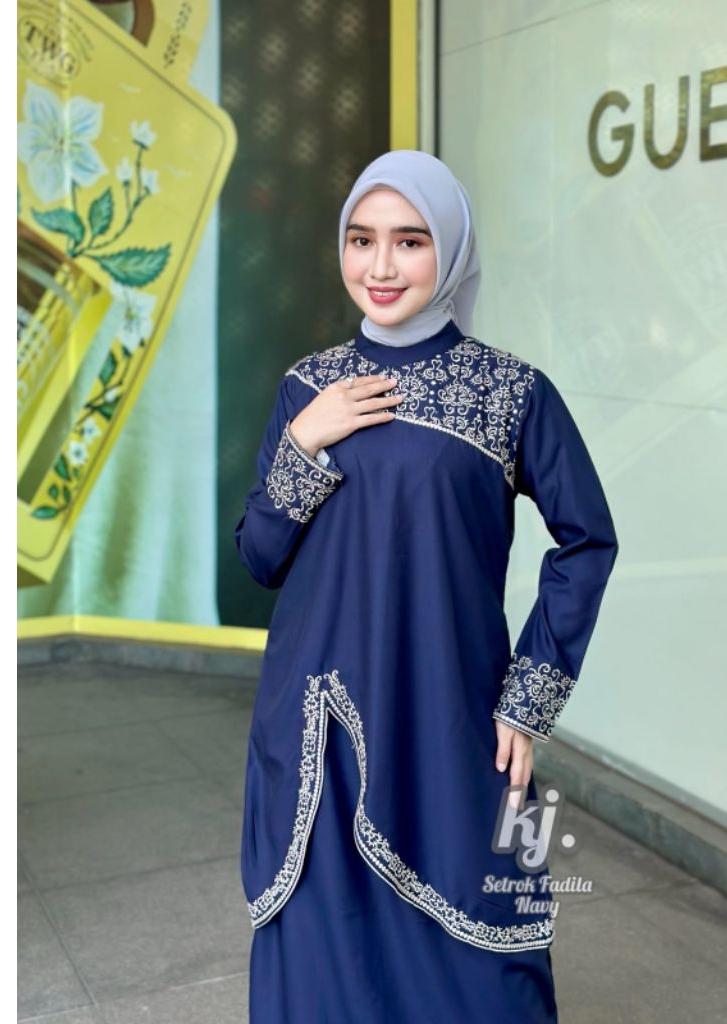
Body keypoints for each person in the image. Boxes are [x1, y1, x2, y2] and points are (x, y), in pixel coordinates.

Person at [234, 150, 618, 1023]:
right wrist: (305, 442)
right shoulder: (307, 387)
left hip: (451, 711)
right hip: (319, 721)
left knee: (489, 943)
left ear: (450, 249)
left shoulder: (513, 392)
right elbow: (260, 557)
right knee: (326, 956)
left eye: (409, 241)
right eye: (361, 239)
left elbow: (588, 540)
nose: (381, 265)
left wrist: (530, 698)